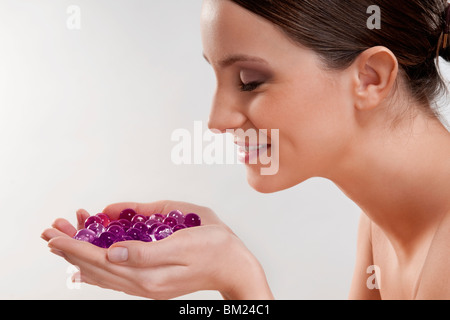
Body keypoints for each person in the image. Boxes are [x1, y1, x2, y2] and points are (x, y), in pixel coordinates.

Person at [42, 0, 450, 300]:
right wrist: (226, 259)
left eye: (250, 81)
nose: (217, 120)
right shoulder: (381, 220)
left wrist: (240, 279)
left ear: (370, 78)